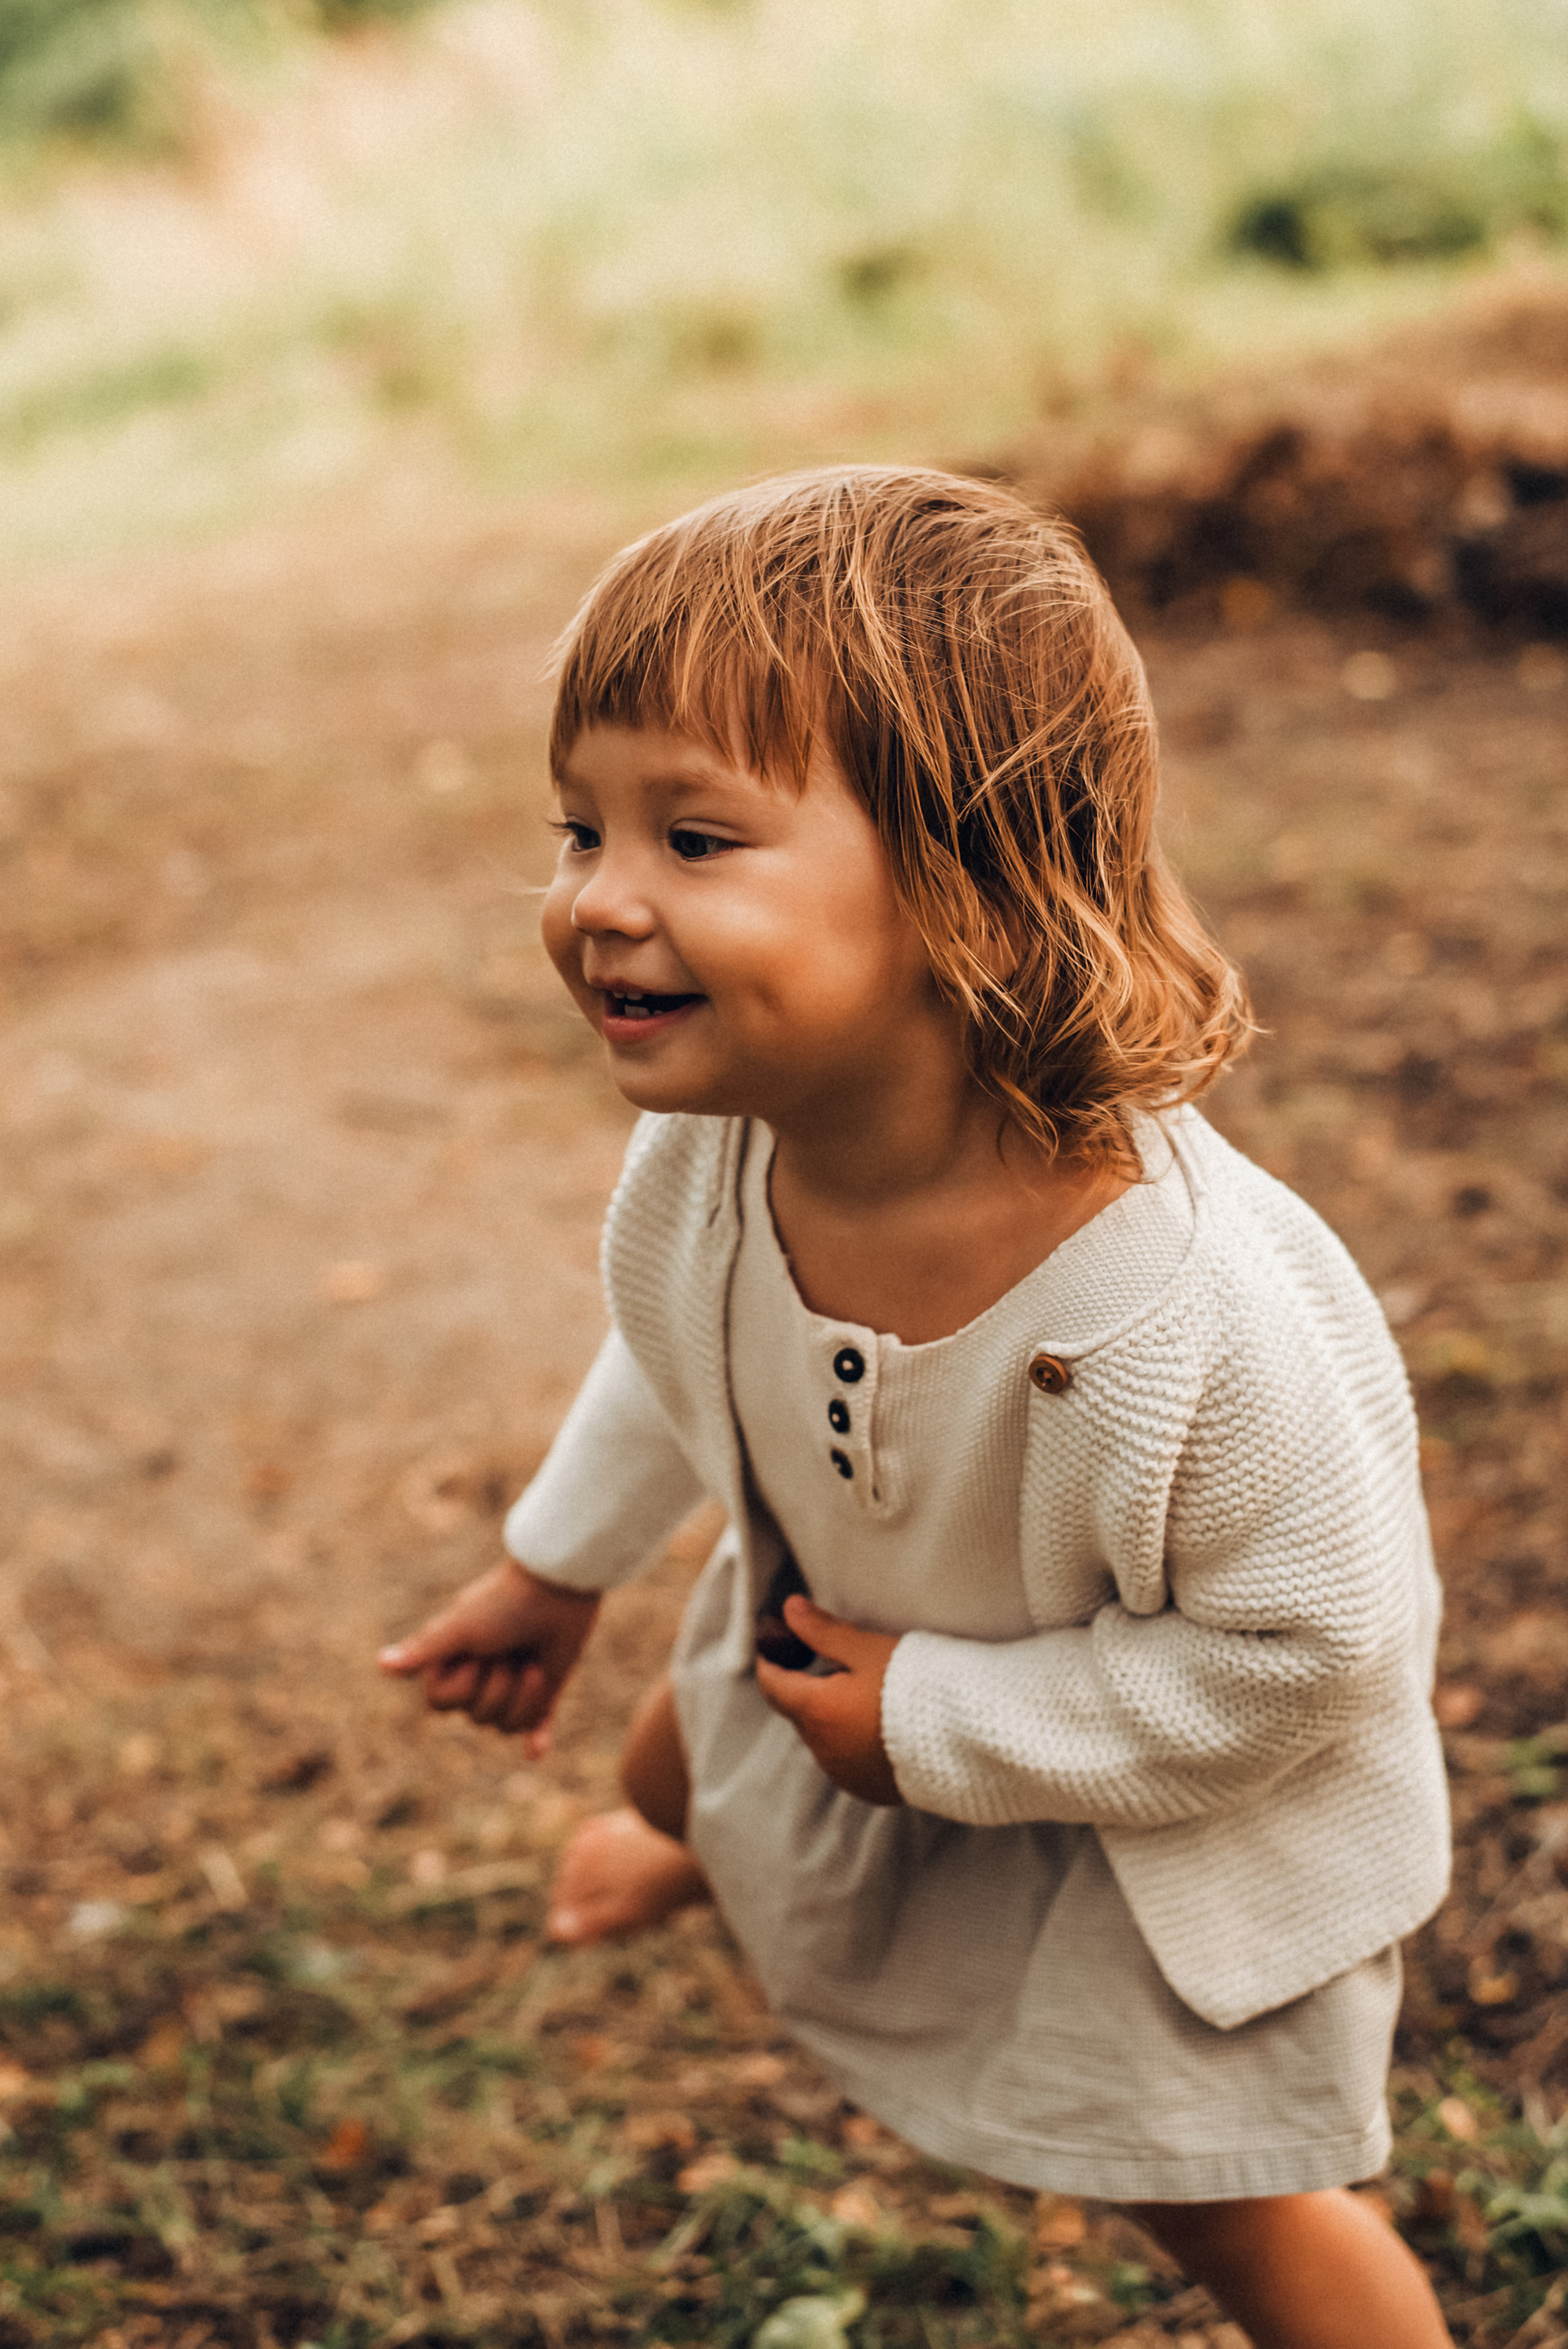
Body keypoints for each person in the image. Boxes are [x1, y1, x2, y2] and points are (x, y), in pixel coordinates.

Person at [380, 468, 1454, 2349]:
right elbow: (674, 1342)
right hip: (847, 1674)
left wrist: (946, 1715)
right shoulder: (723, 1165)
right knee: (683, 1750)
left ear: (966, 880)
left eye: (695, 838)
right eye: (581, 828)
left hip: (1149, 1818)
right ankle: (685, 1833)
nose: (597, 900)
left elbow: (1315, 1648)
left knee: (1227, 2206)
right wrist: (552, 1570)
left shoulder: (1184, 1311)